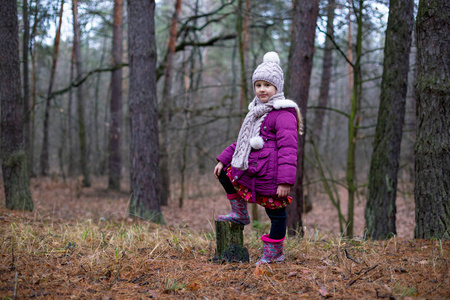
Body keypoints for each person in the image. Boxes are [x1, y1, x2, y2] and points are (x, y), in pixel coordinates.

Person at [214, 52, 303, 265]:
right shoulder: (255, 113)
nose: (262, 89)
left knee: (277, 214)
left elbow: (288, 150)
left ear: (277, 88)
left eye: (267, 85)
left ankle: (275, 253)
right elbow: (242, 142)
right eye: (258, 85)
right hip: (253, 170)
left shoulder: (283, 114)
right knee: (224, 174)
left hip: (271, 176)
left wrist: (284, 181)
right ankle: (240, 213)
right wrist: (223, 159)